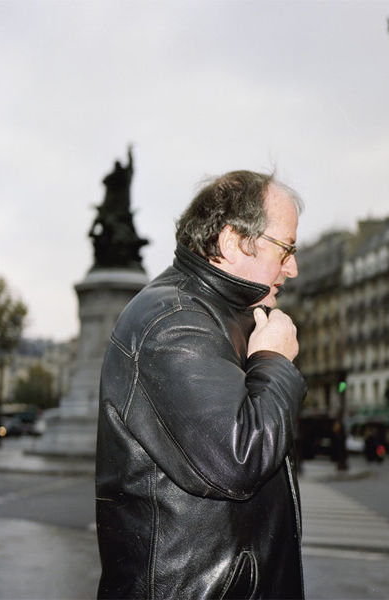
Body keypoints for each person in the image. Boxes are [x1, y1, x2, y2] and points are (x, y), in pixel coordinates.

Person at [95, 170, 307, 599]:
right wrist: (273, 361)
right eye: (285, 248)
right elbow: (240, 458)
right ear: (232, 242)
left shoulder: (216, 315)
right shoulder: (174, 322)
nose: (293, 268)